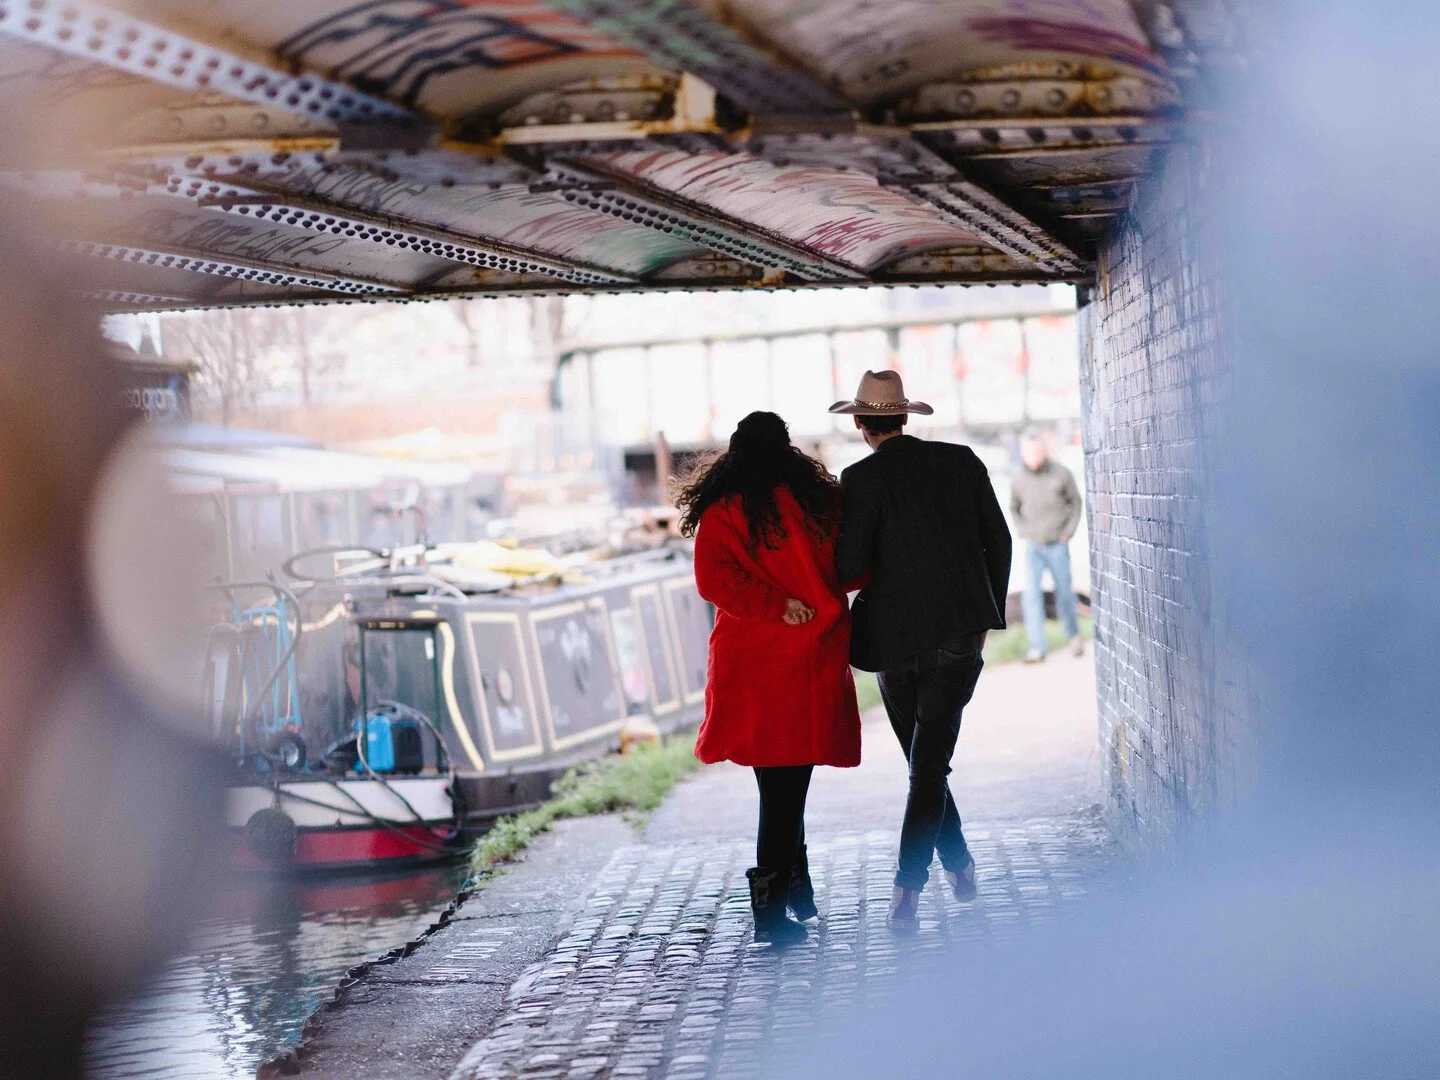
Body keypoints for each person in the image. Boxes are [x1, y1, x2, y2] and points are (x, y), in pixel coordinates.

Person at [832, 370, 1011, 934]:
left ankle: (907, 887)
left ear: (861, 423)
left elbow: (845, 566)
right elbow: (999, 541)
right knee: (927, 764)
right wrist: (989, 614)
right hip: (960, 635)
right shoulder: (962, 462)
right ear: (905, 417)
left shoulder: (857, 479)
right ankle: (957, 866)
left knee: (924, 764)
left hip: (892, 641)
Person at [676, 411, 861, 946]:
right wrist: (802, 600)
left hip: (751, 665)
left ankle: (790, 896)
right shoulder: (817, 504)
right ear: (787, 449)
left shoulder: (724, 511)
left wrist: (771, 604)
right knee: (789, 788)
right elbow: (851, 567)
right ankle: (774, 913)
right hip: (808, 661)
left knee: (777, 787)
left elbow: (715, 579)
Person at [1009, 432, 1084, 663]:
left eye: (1038, 451)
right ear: (1023, 454)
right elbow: (1014, 509)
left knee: (1064, 593)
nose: (1034, 456)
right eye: (1030, 452)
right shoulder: (1019, 478)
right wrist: (1024, 532)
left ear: (1044, 451)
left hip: (1057, 544)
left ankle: (1073, 637)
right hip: (1034, 546)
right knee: (1031, 596)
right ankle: (1037, 648)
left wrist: (1068, 533)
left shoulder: (1060, 473)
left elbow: (1076, 502)